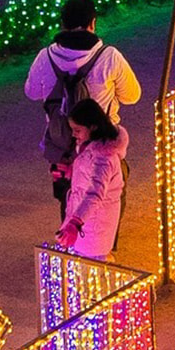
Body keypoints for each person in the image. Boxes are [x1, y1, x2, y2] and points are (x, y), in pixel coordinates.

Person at [24, 0, 141, 214]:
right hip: (102, 147)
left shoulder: (45, 57)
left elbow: (31, 92)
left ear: (63, 24)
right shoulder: (109, 57)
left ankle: (70, 245)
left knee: (68, 206)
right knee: (108, 207)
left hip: (62, 150)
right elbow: (132, 96)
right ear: (93, 23)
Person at [54, 99, 131, 259]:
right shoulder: (91, 147)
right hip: (85, 224)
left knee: (93, 271)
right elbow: (88, 174)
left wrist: (75, 224)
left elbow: (95, 194)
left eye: (77, 130)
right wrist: (69, 171)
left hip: (94, 228)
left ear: (93, 127)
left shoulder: (104, 158)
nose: (74, 134)